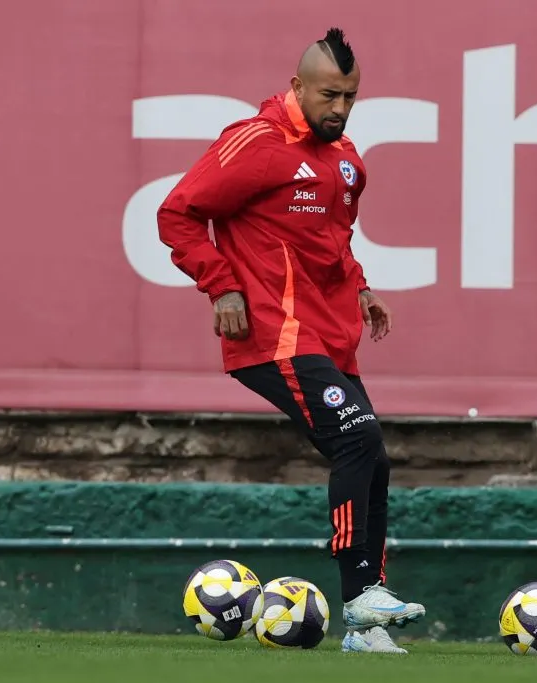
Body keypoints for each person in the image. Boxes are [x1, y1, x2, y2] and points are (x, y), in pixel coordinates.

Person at [156, 27, 425, 654]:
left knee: (374, 460)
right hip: (272, 332)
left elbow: (332, 241)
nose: (340, 108)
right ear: (297, 86)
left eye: (350, 97)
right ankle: (360, 598)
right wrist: (221, 287)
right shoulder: (256, 142)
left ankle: (366, 627)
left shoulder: (348, 160)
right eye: (329, 95)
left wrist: (362, 288)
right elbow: (177, 214)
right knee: (358, 438)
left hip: (329, 333)